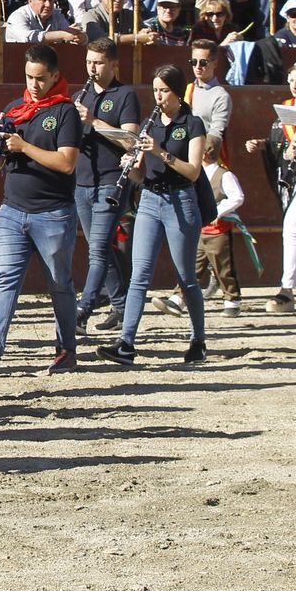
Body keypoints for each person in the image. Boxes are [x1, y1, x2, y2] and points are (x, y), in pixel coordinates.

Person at [0, 44, 82, 378]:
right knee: (5, 281)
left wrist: (24, 146)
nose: (34, 84)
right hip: (13, 210)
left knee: (59, 283)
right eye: (29, 77)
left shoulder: (66, 112)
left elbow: (67, 163)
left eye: (41, 78)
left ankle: (66, 349)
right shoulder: (14, 109)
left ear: (55, 76)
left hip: (52, 212)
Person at [96, 65, 209, 366]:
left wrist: (160, 152)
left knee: (186, 277)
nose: (158, 97)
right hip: (149, 198)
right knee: (139, 274)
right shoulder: (151, 123)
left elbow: (193, 171)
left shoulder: (193, 124)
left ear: (178, 92)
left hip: (181, 200)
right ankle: (126, 343)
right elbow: (138, 173)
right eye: (156, 90)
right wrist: (130, 165)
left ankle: (198, 339)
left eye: (164, 91)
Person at [73, 39, 143, 334]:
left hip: (112, 179)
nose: (92, 67)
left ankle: (83, 308)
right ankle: (124, 306)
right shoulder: (80, 96)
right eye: (89, 61)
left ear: (114, 65)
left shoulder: (125, 94)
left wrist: (93, 121)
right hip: (83, 181)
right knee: (99, 247)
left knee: (99, 249)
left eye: (98, 62)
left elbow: (130, 140)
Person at [247, 62, 296, 316]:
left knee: (291, 229)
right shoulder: (285, 110)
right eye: (291, 80)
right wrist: (264, 145)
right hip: (290, 175)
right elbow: (279, 143)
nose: (294, 85)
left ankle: (287, 289)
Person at [195, 144, 246, 319]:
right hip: (199, 229)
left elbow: (237, 197)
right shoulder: (196, 173)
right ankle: (179, 298)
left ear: (205, 153)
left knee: (223, 266)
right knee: (192, 264)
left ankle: (232, 300)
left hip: (218, 230)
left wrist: (218, 211)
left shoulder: (224, 175)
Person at [4, 0, 84, 45]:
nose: (48, 4)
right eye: (43, 0)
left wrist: (79, 37)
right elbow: (27, 38)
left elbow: (68, 34)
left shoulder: (57, 15)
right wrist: (61, 35)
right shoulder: (18, 16)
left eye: (51, 0)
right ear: (30, 1)